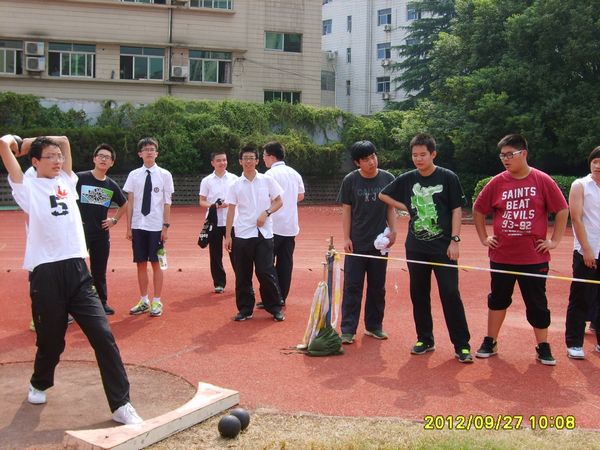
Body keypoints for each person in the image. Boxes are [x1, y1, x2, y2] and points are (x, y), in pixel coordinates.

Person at [0, 134, 142, 424]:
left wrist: (41, 142)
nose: (58, 160)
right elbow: (4, 147)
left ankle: (121, 403)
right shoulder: (26, 186)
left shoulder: (68, 181)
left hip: (77, 269)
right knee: (51, 341)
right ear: (35, 161)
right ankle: (39, 382)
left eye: (59, 157)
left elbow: (64, 140)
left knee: (103, 336)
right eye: (50, 157)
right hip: (46, 272)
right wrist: (17, 142)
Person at [473, 134, 569, 366]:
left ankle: (543, 346)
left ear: (523, 153)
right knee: (497, 300)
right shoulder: (497, 182)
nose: (505, 159)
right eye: (502, 155)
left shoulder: (542, 180)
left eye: (510, 155)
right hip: (502, 256)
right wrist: (485, 238)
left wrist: (554, 241)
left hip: (533, 258)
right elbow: (478, 209)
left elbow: (562, 209)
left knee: (537, 302)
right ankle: (490, 340)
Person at [379, 133, 473, 363]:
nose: (418, 159)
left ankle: (461, 345)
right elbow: (383, 195)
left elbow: (456, 210)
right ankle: (425, 339)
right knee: (418, 293)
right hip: (416, 246)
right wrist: (407, 207)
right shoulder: (409, 178)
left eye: (423, 154)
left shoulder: (448, 177)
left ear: (433, 154)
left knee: (450, 293)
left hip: (443, 248)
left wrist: (455, 240)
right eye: (414, 155)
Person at [337, 140, 396, 345]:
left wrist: (394, 231)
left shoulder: (388, 178)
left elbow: (390, 207)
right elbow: (346, 210)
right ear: (357, 162)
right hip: (357, 243)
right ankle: (348, 329)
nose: (371, 162)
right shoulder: (350, 180)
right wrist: (346, 237)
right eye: (366, 159)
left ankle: (374, 326)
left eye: (373, 156)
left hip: (380, 245)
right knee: (352, 286)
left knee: (377, 287)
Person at [224, 145, 285, 322]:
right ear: (240, 161)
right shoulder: (234, 185)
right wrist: (228, 236)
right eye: (246, 158)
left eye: (252, 158)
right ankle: (245, 309)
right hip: (242, 233)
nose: (249, 161)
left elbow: (279, 201)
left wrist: (266, 213)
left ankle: (274, 307)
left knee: (265, 271)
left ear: (257, 161)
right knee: (243, 273)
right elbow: (230, 211)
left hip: (264, 234)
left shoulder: (267, 180)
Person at [124, 137, 174, 318]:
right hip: (138, 225)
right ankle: (143, 299)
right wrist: (128, 227)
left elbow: (167, 203)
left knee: (156, 263)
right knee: (140, 263)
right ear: (140, 154)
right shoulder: (133, 175)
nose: (149, 151)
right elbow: (130, 202)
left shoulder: (165, 175)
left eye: (152, 149)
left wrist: (165, 227)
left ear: (157, 153)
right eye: (145, 149)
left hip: (155, 226)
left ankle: (157, 300)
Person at [76, 144, 128, 315]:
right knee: (74, 269)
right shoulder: (79, 179)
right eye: (101, 156)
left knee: (99, 269)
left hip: (100, 233)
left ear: (112, 163)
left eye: (108, 157)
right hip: (79, 232)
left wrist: (114, 220)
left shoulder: (111, 185)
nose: (104, 159)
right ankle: (72, 306)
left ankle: (101, 303)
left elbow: (125, 204)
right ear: (94, 159)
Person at [564, 146, 600, 359]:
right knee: (580, 297)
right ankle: (574, 343)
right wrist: (587, 249)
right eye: (595, 161)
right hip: (586, 251)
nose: (597, 165)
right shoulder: (580, 185)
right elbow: (576, 218)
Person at [262, 141, 305, 306]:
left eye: (265, 156)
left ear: (271, 157)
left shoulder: (269, 175)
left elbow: (265, 198)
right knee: (285, 263)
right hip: (291, 226)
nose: (264, 159)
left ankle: (271, 297)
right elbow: (301, 195)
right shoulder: (294, 173)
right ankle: (281, 297)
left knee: (266, 264)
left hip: (273, 226)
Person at [199, 151, 238, 294]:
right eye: (219, 160)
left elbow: (240, 197)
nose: (222, 163)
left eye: (224, 160)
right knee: (215, 254)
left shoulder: (235, 178)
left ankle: (241, 280)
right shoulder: (207, 181)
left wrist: (229, 203)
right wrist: (213, 205)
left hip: (232, 221)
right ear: (212, 163)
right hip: (214, 221)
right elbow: (202, 201)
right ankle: (219, 282)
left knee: (236, 253)